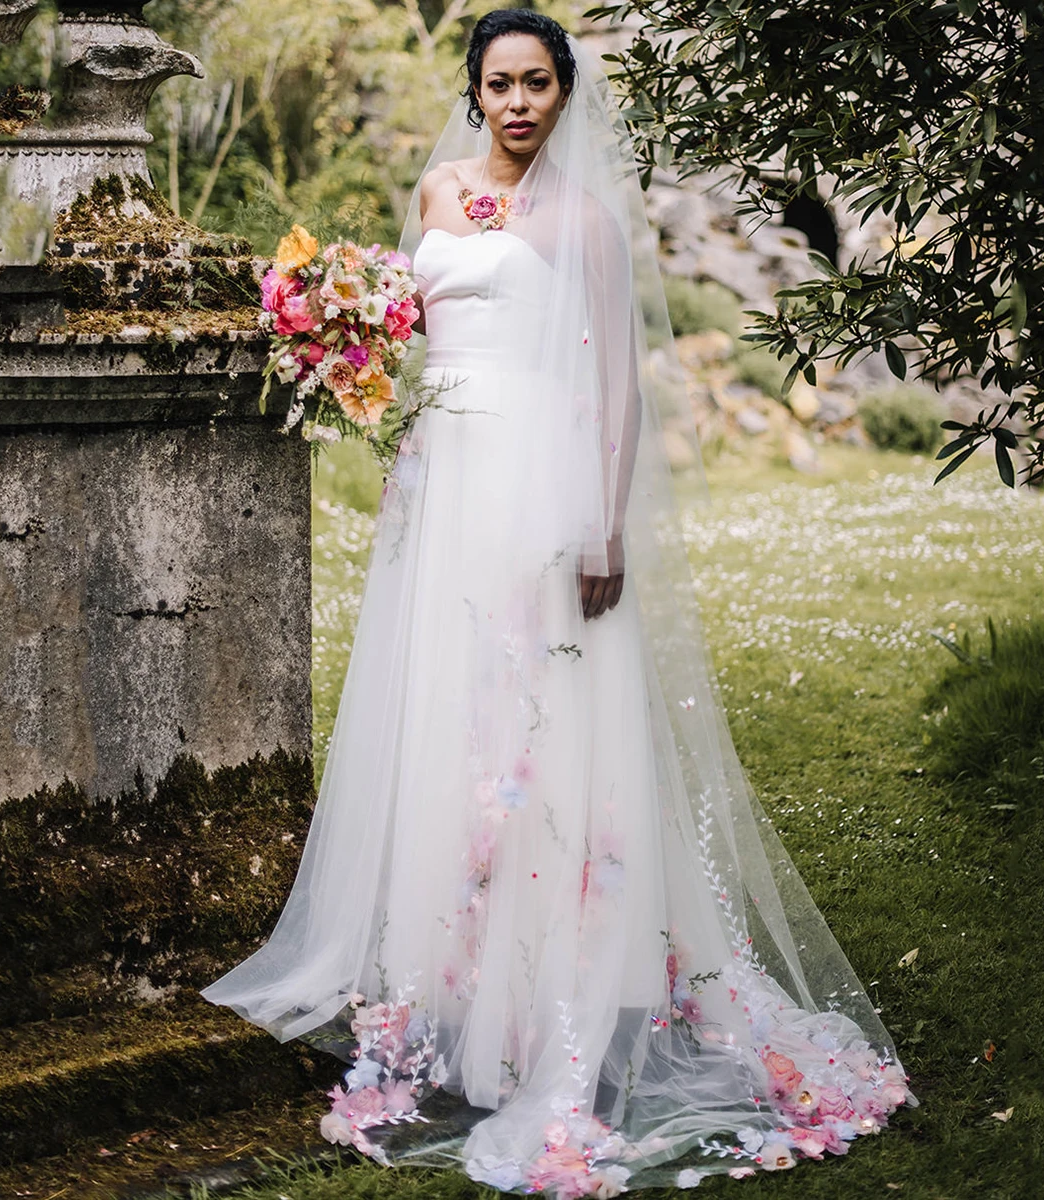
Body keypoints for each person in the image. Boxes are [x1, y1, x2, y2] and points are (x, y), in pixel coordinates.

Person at [200, 10, 917, 1194]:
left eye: (538, 83)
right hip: (445, 484)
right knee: (446, 718)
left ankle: (548, 1001)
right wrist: (344, 337)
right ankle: (449, 980)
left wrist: (602, 523)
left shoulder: (584, 220)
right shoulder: (434, 194)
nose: (519, 102)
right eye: (500, 83)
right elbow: (405, 327)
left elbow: (614, 381)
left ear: (562, 95)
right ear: (473, 92)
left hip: (542, 485)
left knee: (540, 731)